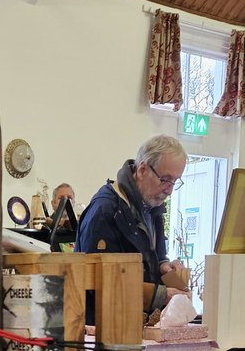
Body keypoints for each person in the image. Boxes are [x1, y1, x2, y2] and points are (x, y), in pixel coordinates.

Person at [75, 135, 188, 315]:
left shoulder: (152, 206)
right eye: (165, 179)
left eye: (175, 181)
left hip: (136, 324)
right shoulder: (105, 210)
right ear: (142, 170)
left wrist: (163, 266)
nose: (169, 190)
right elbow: (101, 282)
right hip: (103, 329)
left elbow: (154, 256)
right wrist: (160, 296)